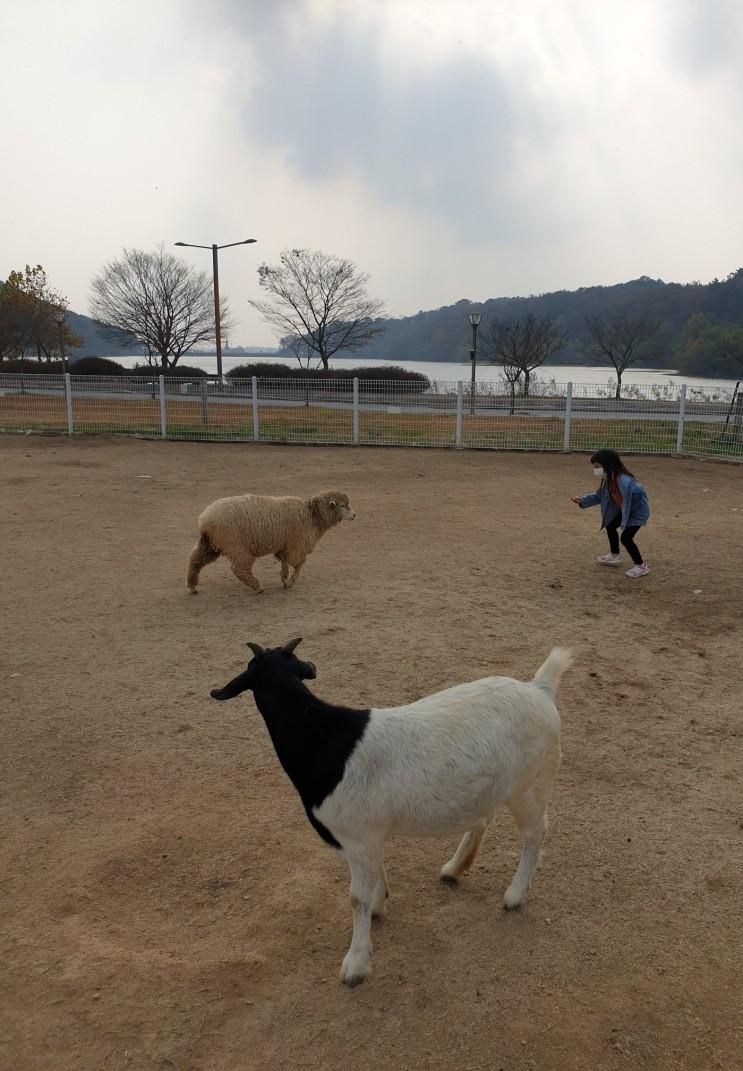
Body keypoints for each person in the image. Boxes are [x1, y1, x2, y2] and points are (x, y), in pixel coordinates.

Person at [571, 449, 650, 578]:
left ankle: (641, 565)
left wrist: (628, 510)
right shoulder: (609, 479)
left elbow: (638, 492)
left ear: (607, 464)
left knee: (626, 538)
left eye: (597, 467)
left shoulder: (624, 480)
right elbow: (599, 496)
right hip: (625, 511)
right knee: (611, 525)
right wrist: (582, 501)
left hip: (637, 513)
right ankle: (615, 555)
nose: (596, 470)